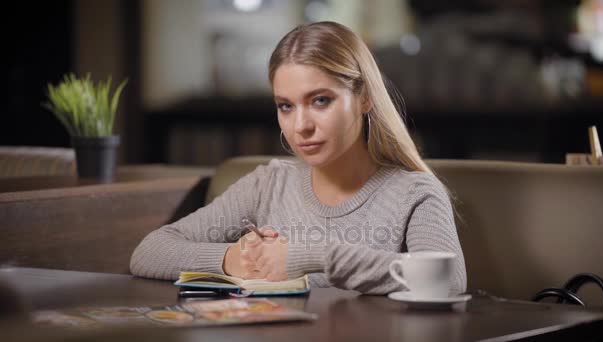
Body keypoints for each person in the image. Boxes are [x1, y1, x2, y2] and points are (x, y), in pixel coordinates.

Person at [130, 21, 466, 295]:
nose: (301, 126)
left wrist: (309, 256)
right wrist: (234, 259)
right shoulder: (269, 184)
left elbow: (447, 282)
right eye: (286, 106)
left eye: (320, 101)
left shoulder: (415, 193)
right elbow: (149, 252)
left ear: (364, 98)